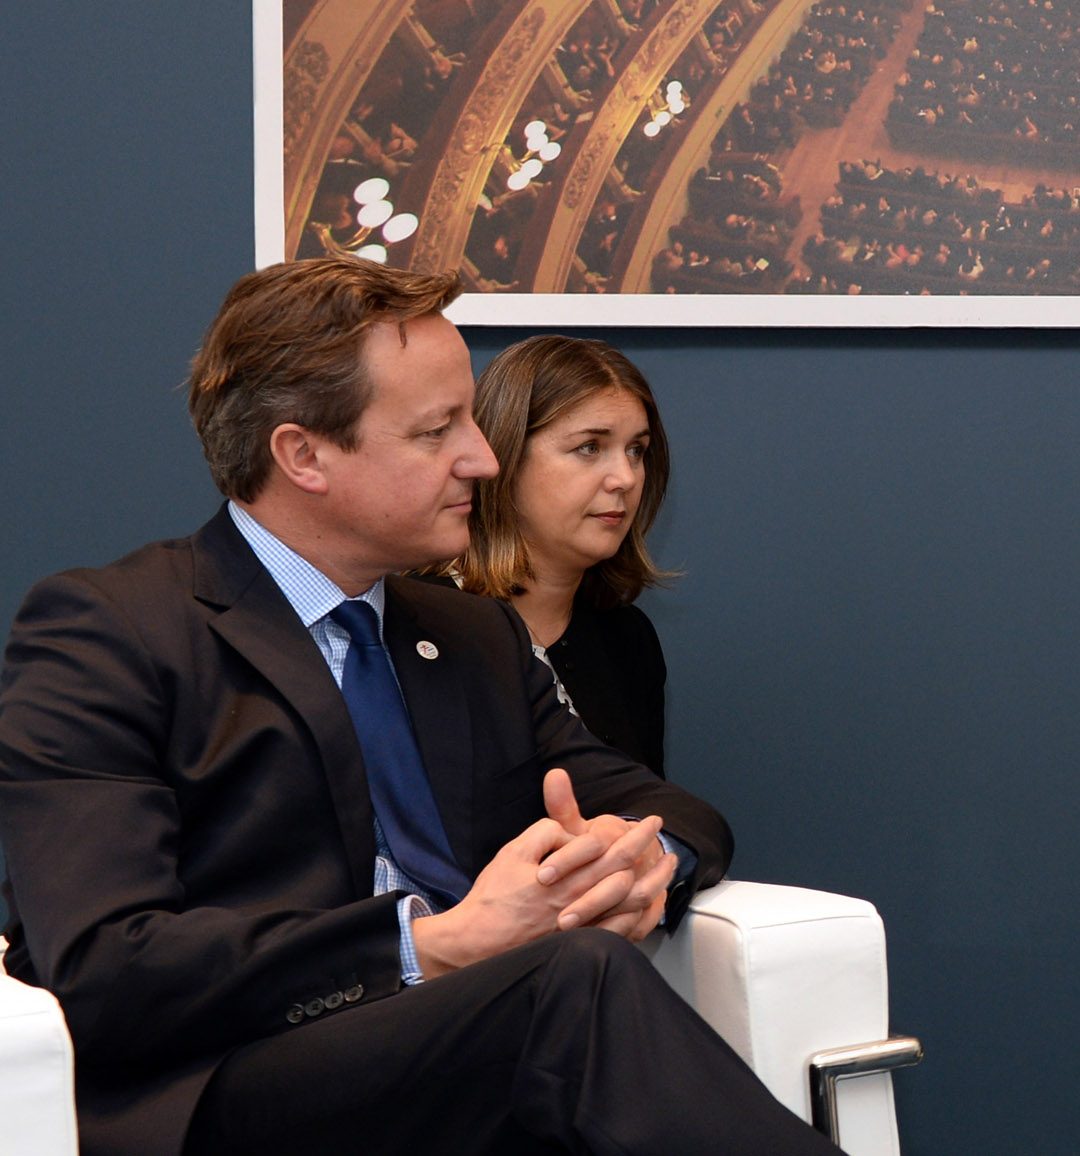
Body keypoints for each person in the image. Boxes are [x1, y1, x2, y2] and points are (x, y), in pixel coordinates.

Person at [0, 257, 842, 1156]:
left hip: (476, 1057)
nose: (483, 458)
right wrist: (427, 944)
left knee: (570, 990)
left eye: (469, 419)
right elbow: (106, 969)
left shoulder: (472, 634)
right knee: (571, 982)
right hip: (240, 1081)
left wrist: (643, 861)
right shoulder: (111, 632)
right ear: (303, 455)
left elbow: (662, 806)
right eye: (438, 430)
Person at [433, 335, 674, 775]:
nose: (625, 478)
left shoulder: (628, 638)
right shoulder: (419, 625)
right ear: (504, 455)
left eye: (636, 450)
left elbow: (649, 803)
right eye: (590, 447)